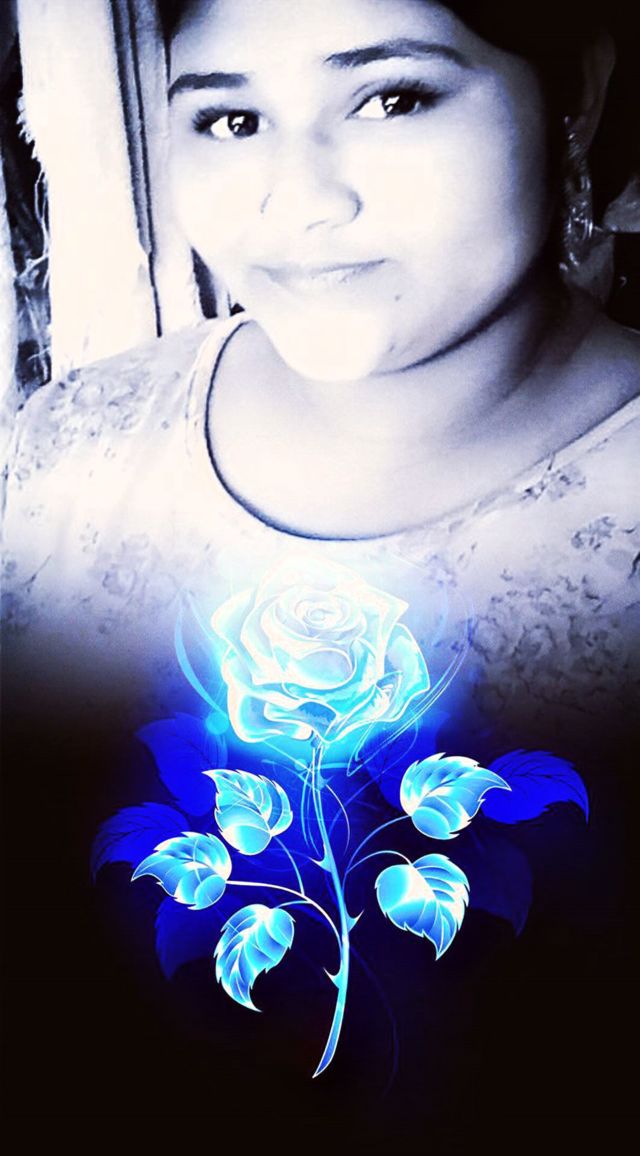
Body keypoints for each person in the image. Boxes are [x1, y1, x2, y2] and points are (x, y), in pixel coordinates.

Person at [2, 0, 638, 1136]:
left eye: (391, 98)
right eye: (232, 119)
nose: (297, 201)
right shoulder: (65, 451)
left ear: (574, 94)